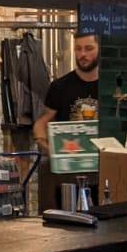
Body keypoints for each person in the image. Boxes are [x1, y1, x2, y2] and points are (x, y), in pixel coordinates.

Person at [33, 33, 101, 206]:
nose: (83, 54)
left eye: (89, 48)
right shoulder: (60, 86)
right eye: (78, 49)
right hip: (67, 174)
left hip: (102, 169)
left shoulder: (110, 86)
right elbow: (42, 122)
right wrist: (45, 145)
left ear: (100, 49)